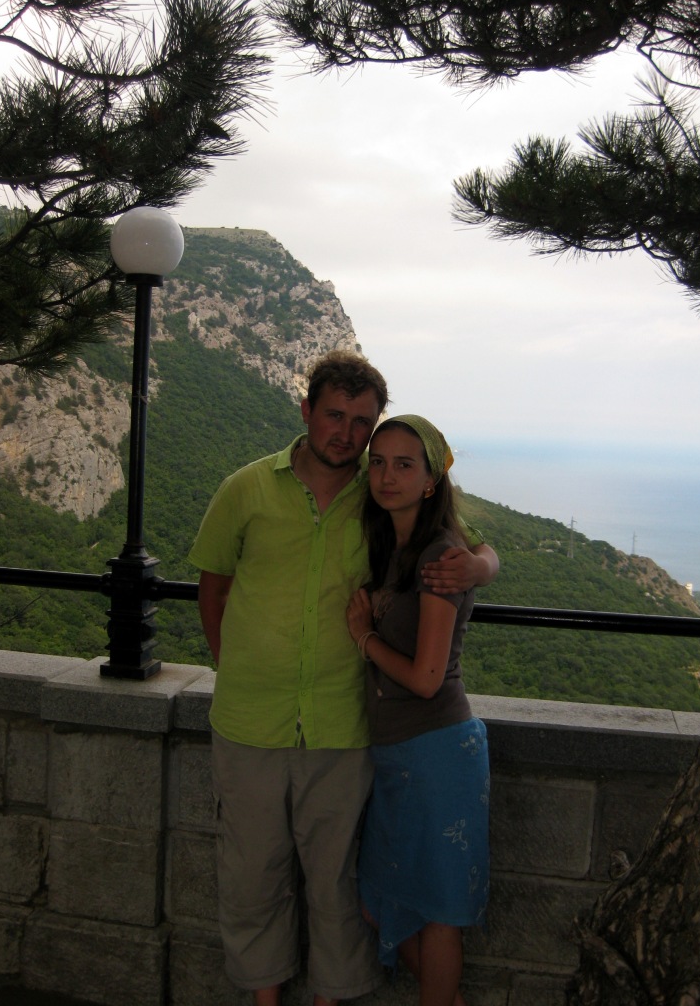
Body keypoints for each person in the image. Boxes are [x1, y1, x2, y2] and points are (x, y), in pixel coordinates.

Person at [188, 351, 498, 1006]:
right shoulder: (247, 488)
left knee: (336, 884)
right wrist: (232, 664)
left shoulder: (378, 492)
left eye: (362, 422)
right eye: (334, 415)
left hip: (344, 724)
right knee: (252, 876)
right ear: (306, 411)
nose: (347, 434)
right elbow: (212, 589)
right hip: (250, 720)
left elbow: (464, 542)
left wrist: (479, 568)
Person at [345, 414, 490, 1006]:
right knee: (379, 903)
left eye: (404, 465)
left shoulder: (438, 557)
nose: (387, 476)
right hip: (399, 755)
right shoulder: (395, 545)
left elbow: (428, 679)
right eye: (378, 463)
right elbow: (484, 550)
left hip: (436, 753)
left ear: (431, 480)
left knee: (436, 914)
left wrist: (365, 639)